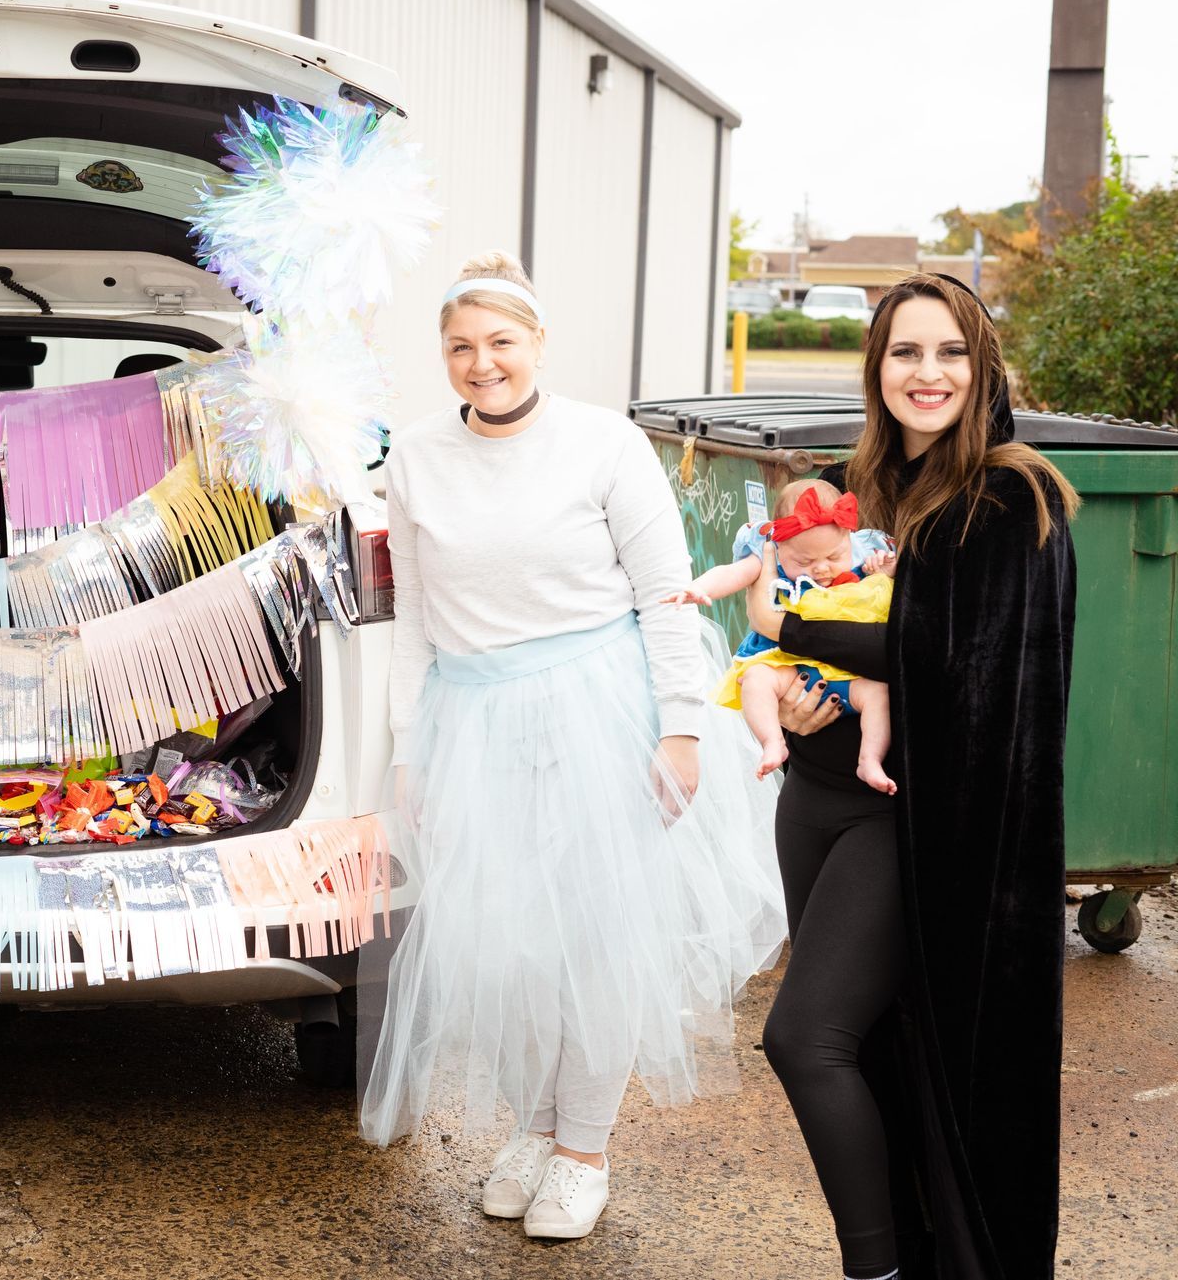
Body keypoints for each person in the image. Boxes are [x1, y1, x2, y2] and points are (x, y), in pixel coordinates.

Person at [359, 252, 788, 1242]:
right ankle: (538, 1126)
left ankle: (584, 1150)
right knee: (510, 947)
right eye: (461, 346)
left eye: (502, 342)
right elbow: (418, 614)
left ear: (538, 343)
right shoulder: (416, 456)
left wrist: (681, 729)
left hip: (595, 710)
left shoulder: (605, 444)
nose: (482, 363)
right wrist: (410, 745)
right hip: (469, 720)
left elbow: (664, 593)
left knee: (590, 940)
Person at [753, 273, 1077, 1280]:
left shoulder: (1009, 493)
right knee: (875, 1053)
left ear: (982, 368)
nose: (926, 372)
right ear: (877, 369)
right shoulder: (879, 493)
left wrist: (787, 627)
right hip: (817, 800)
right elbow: (863, 654)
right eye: (905, 352)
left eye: (949, 352)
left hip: (916, 825)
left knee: (805, 1039)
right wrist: (805, 704)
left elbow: (950, 668)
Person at [665, 477, 900, 792]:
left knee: (879, 695)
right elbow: (733, 573)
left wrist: (883, 567)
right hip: (788, 664)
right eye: (804, 561)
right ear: (780, 543)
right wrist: (698, 588)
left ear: (848, 537)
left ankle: (869, 759)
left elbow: (899, 575)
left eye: (833, 557)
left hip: (847, 667)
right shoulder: (767, 550)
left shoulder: (865, 549)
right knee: (755, 679)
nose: (821, 569)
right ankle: (772, 740)